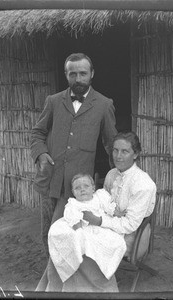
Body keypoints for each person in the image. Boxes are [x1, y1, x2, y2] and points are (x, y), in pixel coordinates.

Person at [35, 131, 157, 293]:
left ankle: (98, 290)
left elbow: (130, 225)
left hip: (132, 234)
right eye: (115, 150)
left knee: (83, 246)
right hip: (104, 224)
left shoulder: (143, 184)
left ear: (136, 154)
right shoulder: (112, 174)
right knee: (65, 237)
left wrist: (98, 221)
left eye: (125, 151)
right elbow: (101, 201)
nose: (118, 156)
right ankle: (56, 288)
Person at [30, 53, 117, 257]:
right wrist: (41, 154)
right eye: (73, 74)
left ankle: (73, 272)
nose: (78, 79)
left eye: (83, 73)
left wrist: (118, 174)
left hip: (78, 185)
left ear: (92, 74)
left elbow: (111, 142)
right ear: (66, 75)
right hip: (51, 178)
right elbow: (38, 132)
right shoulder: (53, 101)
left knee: (74, 231)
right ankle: (54, 273)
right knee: (49, 231)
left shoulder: (104, 104)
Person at [48, 173, 127, 283]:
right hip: (83, 228)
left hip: (99, 226)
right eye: (77, 188)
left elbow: (110, 208)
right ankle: (82, 269)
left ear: (93, 188)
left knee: (115, 242)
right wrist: (79, 232)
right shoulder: (73, 203)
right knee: (76, 239)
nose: (82, 190)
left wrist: (118, 213)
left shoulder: (99, 197)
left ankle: (104, 270)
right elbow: (75, 220)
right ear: (73, 191)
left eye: (86, 186)